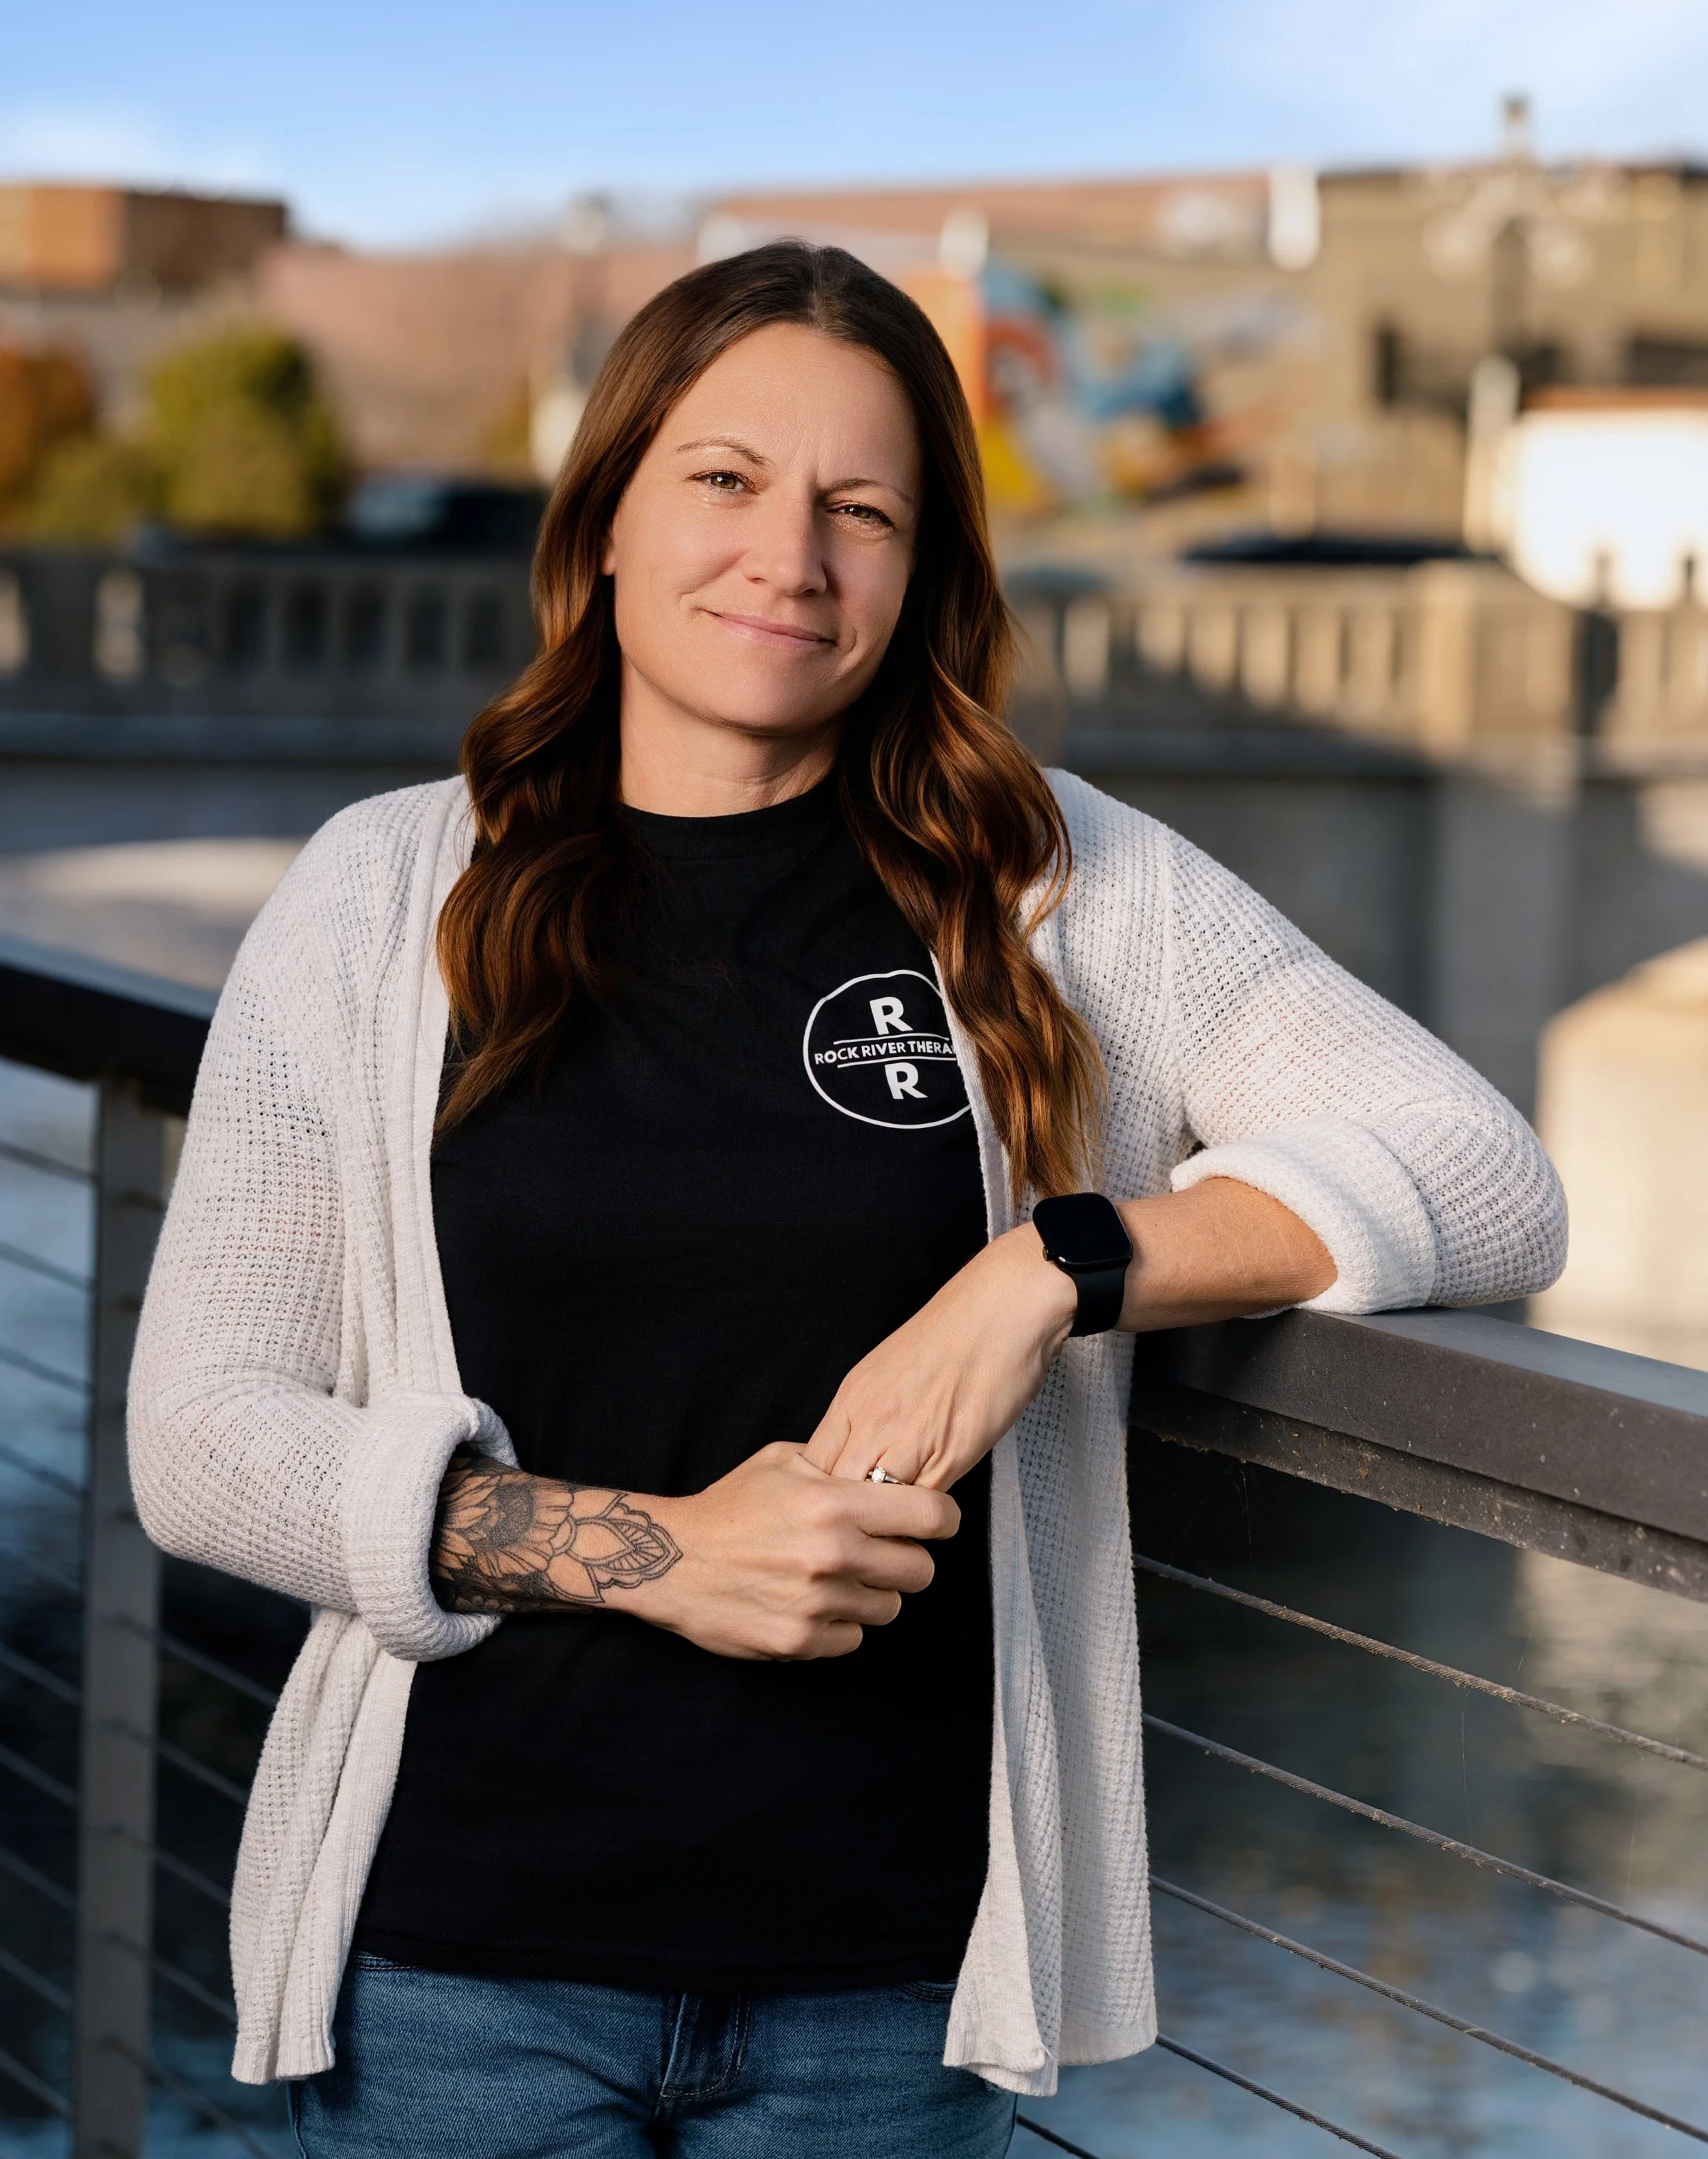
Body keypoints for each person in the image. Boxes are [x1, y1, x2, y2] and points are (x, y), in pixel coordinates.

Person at [129, 241, 1565, 2158]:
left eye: (859, 507)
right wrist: (653, 1549)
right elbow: (204, 1437)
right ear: (611, 516)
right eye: (723, 478)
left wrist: (1049, 1264)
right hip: (462, 1972)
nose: (788, 556)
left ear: (919, 571)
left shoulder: (1045, 883)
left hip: (888, 2005)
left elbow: (1480, 1172)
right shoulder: (386, 896)